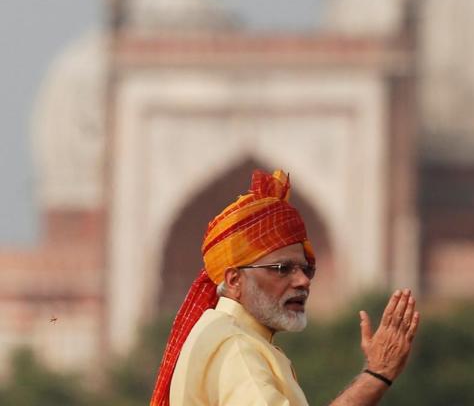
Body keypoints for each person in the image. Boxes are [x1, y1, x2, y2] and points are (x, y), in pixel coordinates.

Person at [150, 169, 419, 406]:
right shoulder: (235, 347)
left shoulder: (230, 335)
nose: (302, 281)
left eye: (306, 269)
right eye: (282, 269)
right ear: (234, 281)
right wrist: (377, 375)